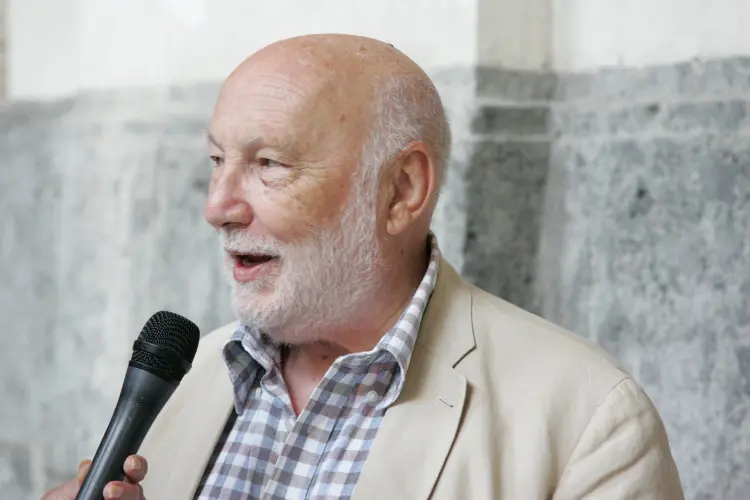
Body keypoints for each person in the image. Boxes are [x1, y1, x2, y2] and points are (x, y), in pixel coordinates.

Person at [43, 34, 684, 500]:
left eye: (270, 165)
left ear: (402, 189)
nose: (218, 207)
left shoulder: (590, 425)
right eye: (217, 161)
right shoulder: (180, 384)